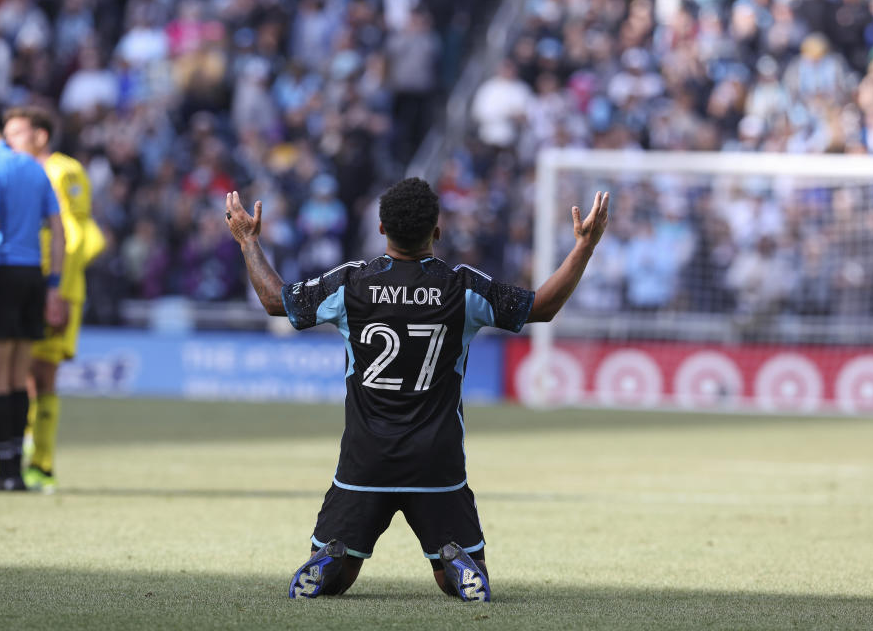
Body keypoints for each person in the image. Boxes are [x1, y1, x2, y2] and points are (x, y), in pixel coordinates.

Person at [224, 178, 609, 601]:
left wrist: (247, 241)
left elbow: (277, 301)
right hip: (436, 460)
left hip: (364, 459)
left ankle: (331, 556)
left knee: (341, 577)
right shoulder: (462, 286)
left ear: (382, 228)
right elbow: (541, 308)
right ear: (437, 231)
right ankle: (454, 557)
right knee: (454, 582)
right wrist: (584, 246)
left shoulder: (351, 283)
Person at [0, 104, 67, 492]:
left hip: (1, 274)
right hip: (33, 278)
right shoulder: (34, 168)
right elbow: (58, 232)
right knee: (20, 378)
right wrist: (53, 285)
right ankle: (16, 474)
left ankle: (5, 472)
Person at [2, 105, 104, 492]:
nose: (9, 142)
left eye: (17, 134)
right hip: (26, 283)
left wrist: (56, 290)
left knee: (40, 375)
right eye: (7, 133)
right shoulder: (21, 172)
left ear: (40, 136)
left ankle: (40, 465)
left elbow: (77, 233)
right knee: (19, 373)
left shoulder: (64, 171)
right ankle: (22, 457)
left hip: (54, 290)